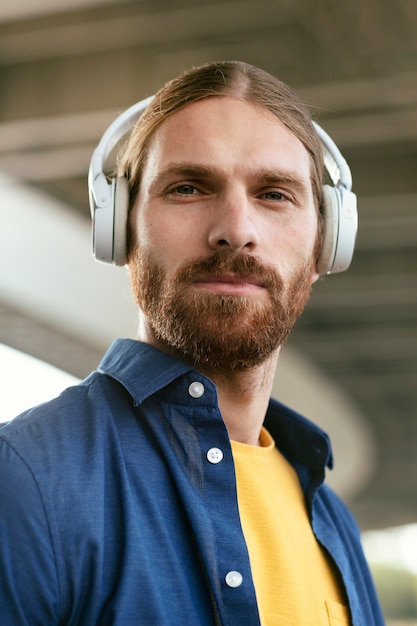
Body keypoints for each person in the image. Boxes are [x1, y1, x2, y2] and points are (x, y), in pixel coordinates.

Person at [0, 61, 384, 625]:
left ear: (327, 244)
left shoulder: (331, 520)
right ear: (121, 227)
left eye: (274, 194)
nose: (236, 227)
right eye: (187, 187)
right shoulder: (23, 479)